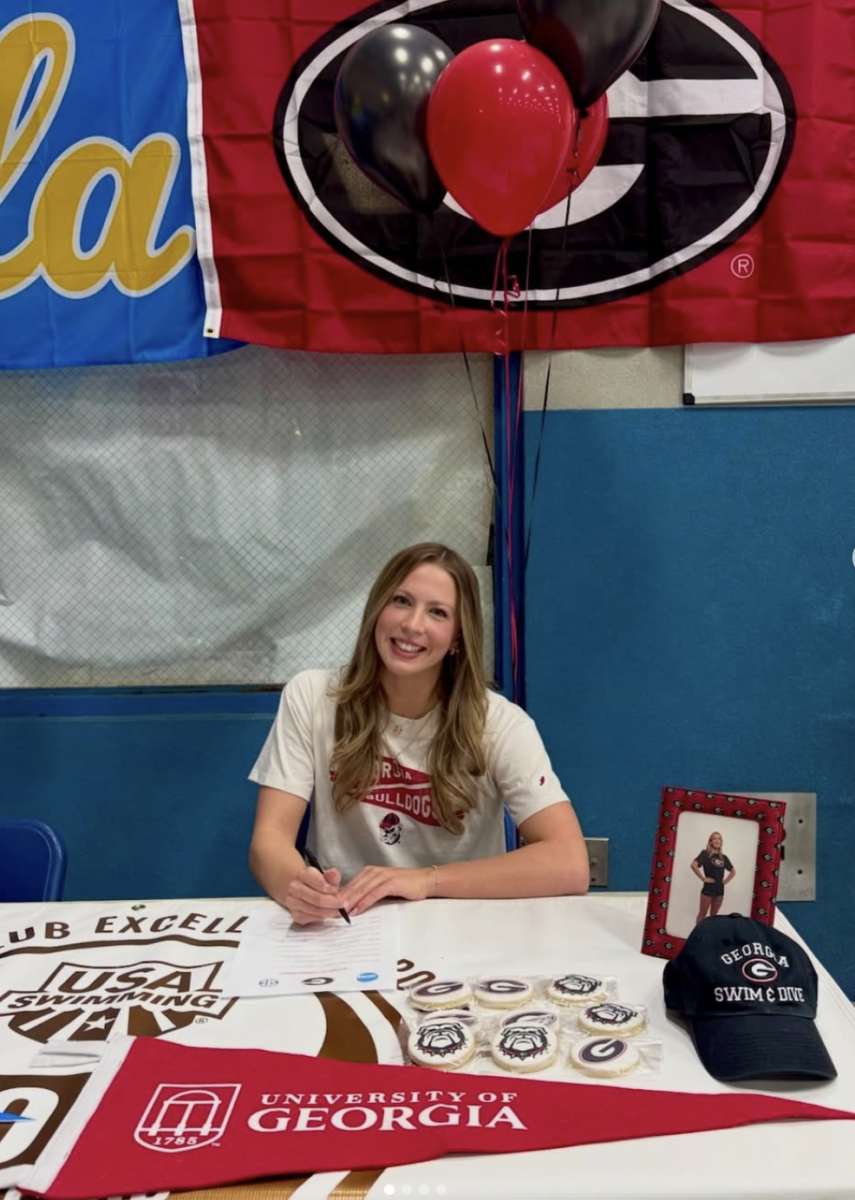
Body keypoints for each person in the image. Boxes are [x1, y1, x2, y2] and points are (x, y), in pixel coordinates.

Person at [249, 542, 589, 924]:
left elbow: (570, 862)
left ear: (459, 638)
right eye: (401, 601)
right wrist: (297, 888)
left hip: (461, 925)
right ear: (377, 609)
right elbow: (270, 839)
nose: (412, 624)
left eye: (438, 613)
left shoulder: (501, 724)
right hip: (346, 926)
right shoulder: (311, 696)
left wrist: (426, 881)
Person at [691, 831, 735, 924]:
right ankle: (698, 936)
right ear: (710, 842)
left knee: (713, 917)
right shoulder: (705, 854)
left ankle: (709, 936)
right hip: (708, 890)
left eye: (719, 839)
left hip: (720, 891)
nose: (717, 840)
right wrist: (703, 878)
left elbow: (733, 871)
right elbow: (693, 865)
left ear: (721, 842)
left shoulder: (724, 858)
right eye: (714, 838)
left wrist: (725, 881)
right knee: (702, 915)